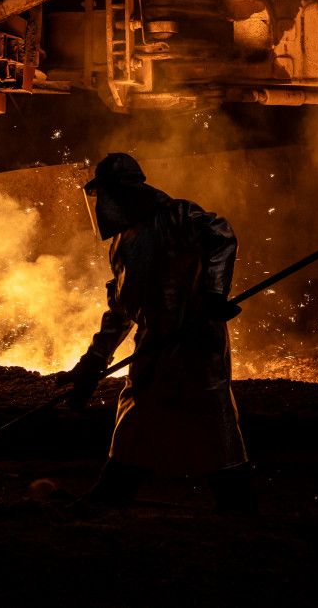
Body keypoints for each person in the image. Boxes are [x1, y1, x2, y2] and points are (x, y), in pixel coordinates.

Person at [60, 152, 254, 513]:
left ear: (122, 192)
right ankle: (112, 493)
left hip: (195, 341)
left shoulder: (178, 215)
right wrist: (94, 360)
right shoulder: (121, 245)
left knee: (214, 422)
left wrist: (213, 295)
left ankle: (238, 505)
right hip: (153, 344)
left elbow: (222, 235)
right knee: (135, 419)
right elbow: (120, 308)